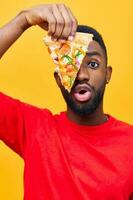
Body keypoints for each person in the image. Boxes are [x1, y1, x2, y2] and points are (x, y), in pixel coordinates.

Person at [0, 3, 133, 200]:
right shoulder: (33, 128)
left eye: (93, 64)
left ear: (107, 74)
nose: (82, 75)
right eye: (70, 64)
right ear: (58, 80)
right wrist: (23, 20)